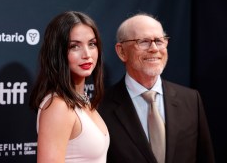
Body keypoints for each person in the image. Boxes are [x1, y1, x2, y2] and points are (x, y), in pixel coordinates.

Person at [98, 13, 215, 163]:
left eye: (159, 41)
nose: (154, 48)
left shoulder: (191, 100)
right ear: (122, 51)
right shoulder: (100, 107)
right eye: (144, 41)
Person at [29, 11, 109, 163]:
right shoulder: (58, 106)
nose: (87, 54)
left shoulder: (81, 99)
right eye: (74, 46)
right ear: (57, 53)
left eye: (92, 44)